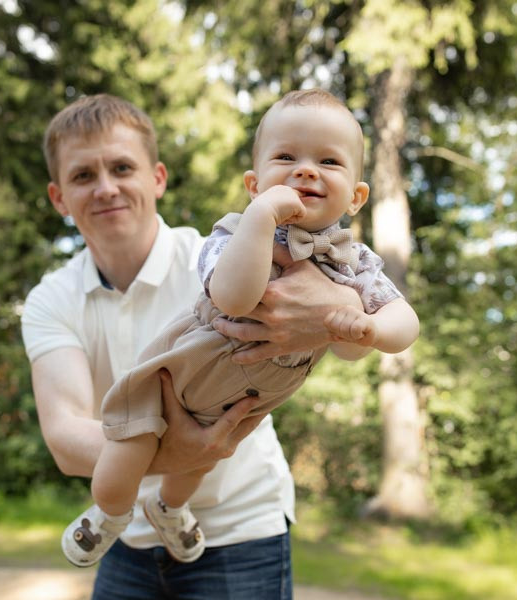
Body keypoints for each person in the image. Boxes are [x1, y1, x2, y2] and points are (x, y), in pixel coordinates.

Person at [22, 92, 372, 599]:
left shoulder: (221, 256)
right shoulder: (51, 299)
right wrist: (184, 452)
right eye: (82, 176)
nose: (106, 188)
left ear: (157, 177)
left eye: (122, 167)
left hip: (242, 530)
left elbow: (333, 309)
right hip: (125, 535)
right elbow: (65, 439)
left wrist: (349, 313)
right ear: (59, 198)